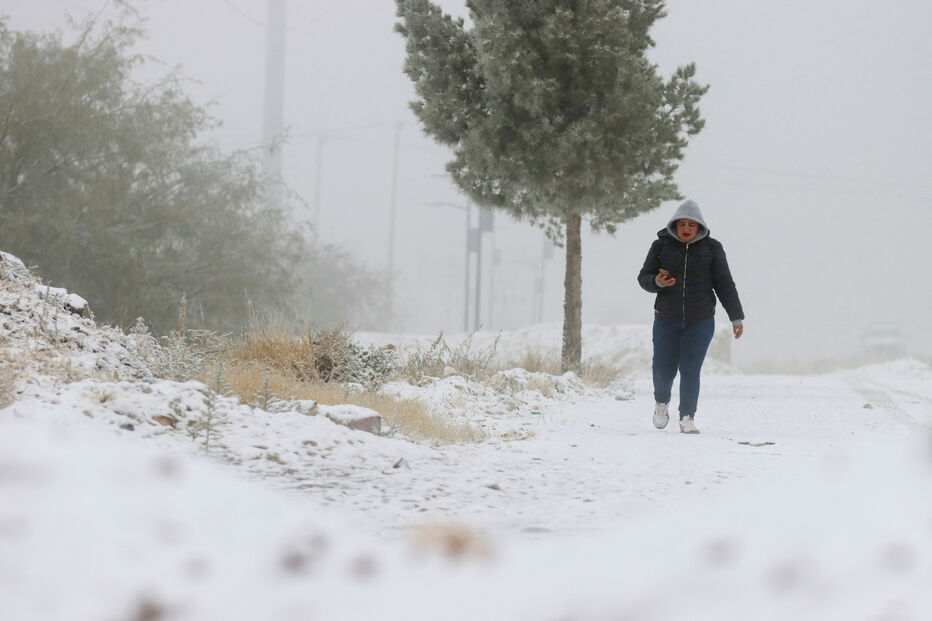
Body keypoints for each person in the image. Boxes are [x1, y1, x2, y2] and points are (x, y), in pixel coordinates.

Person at [637, 199, 744, 434]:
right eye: (682, 224)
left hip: (700, 320)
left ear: (700, 227)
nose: (686, 228)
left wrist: (736, 317)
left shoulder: (712, 248)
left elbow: (725, 284)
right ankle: (661, 402)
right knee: (663, 369)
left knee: (690, 369)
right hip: (666, 319)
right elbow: (644, 278)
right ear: (674, 225)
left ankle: (687, 417)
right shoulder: (661, 246)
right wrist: (657, 281)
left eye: (691, 224)